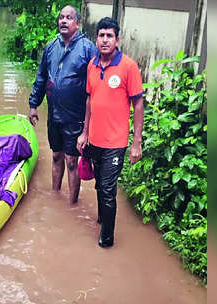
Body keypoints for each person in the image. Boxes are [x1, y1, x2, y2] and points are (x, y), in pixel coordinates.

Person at [77, 17, 144, 248]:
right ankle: (102, 218)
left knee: (107, 189)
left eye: (110, 36)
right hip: (94, 139)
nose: (105, 40)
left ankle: (107, 239)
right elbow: (89, 100)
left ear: (117, 39)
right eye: (101, 35)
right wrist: (84, 133)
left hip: (115, 143)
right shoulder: (92, 65)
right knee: (98, 185)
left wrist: (137, 143)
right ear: (96, 38)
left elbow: (138, 104)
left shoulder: (129, 67)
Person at [28, 5, 97, 204]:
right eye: (61, 18)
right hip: (54, 115)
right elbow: (41, 77)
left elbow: (95, 87)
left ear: (78, 23)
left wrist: (89, 125)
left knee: (71, 160)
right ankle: (55, 197)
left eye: (69, 18)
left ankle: (71, 205)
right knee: (56, 156)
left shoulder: (87, 49)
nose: (63, 21)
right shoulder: (51, 47)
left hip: (75, 117)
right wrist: (34, 104)